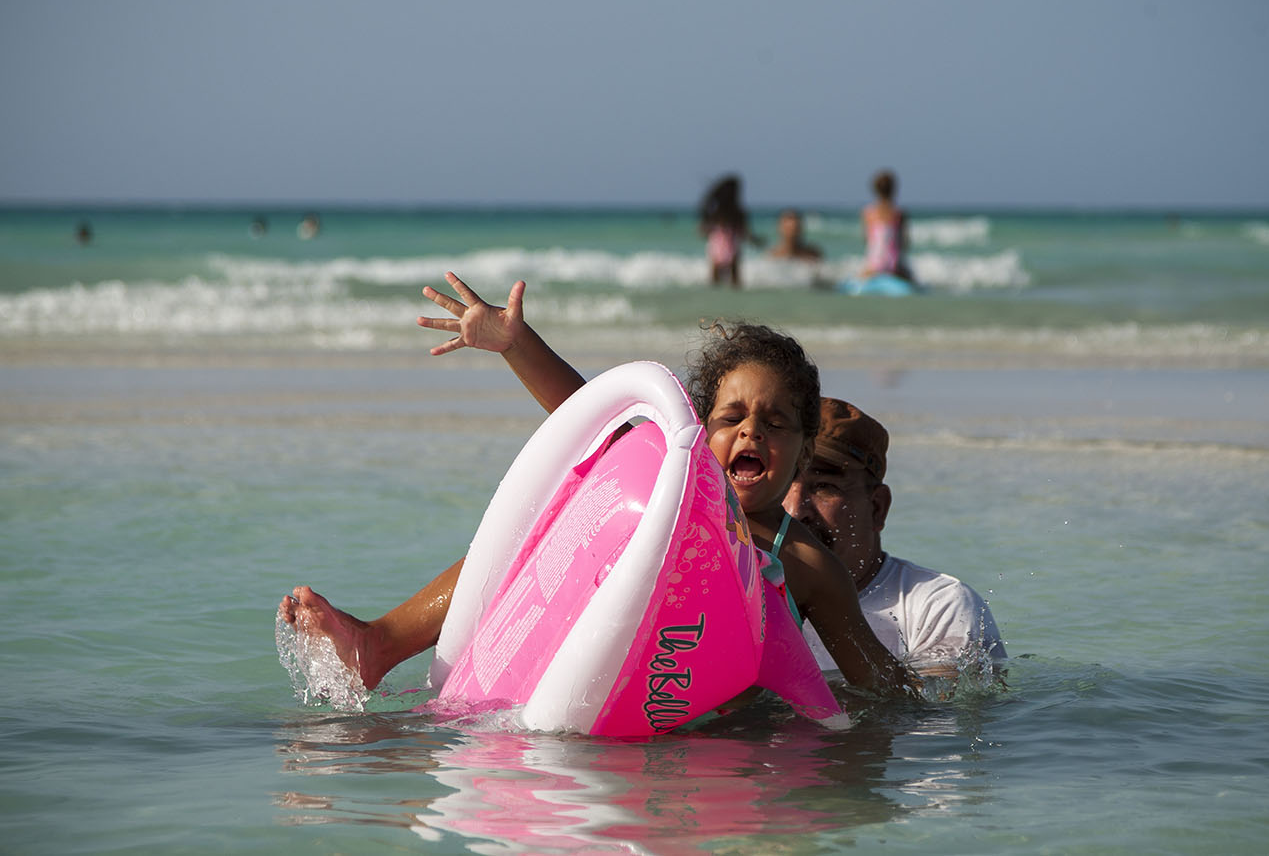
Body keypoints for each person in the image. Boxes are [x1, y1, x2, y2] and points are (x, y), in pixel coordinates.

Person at [281, 272, 925, 703]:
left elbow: (879, 685)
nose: (751, 432)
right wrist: (515, 343)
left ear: (803, 452)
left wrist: (939, 707)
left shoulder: (807, 565)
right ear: (701, 431)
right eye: (731, 419)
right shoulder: (670, 489)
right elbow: (585, 414)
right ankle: (378, 643)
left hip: (713, 726)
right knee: (533, 537)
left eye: (775, 424)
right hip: (594, 681)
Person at [784, 398, 1005, 677]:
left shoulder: (938, 607)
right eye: (782, 484)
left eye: (824, 487)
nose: (795, 510)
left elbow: (935, 704)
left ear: (877, 508)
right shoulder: (740, 601)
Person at [698, 175, 761, 287]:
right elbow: (744, 232)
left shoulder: (715, 213)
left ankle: (715, 295)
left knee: (714, 281)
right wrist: (755, 240)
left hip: (716, 247)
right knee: (735, 281)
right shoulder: (737, 213)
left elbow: (703, 231)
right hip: (732, 247)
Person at [861, 170, 918, 285]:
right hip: (894, 265)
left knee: (861, 276)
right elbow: (904, 242)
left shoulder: (868, 213)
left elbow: (866, 239)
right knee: (912, 280)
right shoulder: (899, 214)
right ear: (894, 190)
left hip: (874, 264)